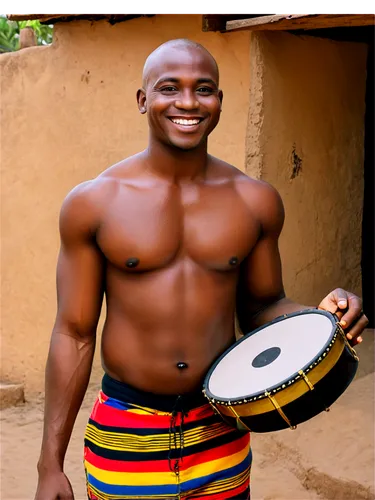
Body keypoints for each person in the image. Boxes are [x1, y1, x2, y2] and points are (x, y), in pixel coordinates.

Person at [34, 38, 369, 500]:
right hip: (127, 429)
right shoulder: (94, 203)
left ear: (219, 102)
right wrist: (49, 464)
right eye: (169, 88)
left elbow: (262, 306)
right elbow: (73, 333)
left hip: (221, 429)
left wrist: (319, 319)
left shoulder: (254, 200)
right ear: (142, 99)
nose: (188, 102)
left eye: (204, 88)